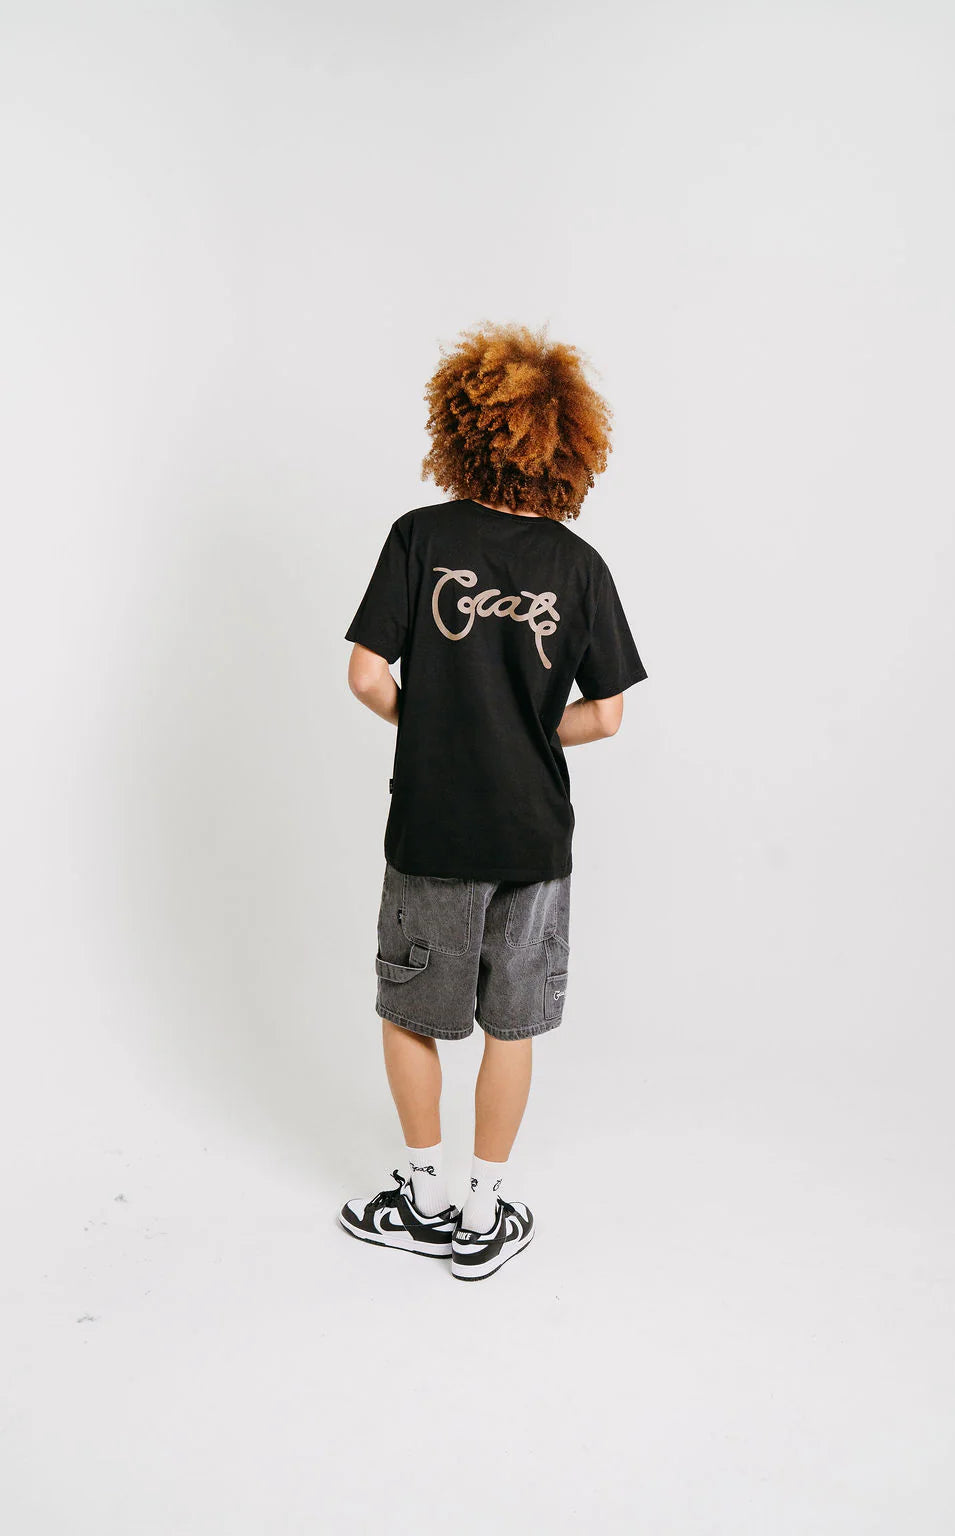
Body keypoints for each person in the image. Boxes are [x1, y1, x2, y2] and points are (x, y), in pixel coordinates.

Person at [337, 321, 648, 1280]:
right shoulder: (579, 567)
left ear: (463, 428)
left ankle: (422, 1197)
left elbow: (365, 675)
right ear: (568, 445)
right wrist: (527, 733)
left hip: (432, 825)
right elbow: (607, 717)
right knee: (511, 1026)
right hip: (532, 836)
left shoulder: (419, 537)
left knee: (411, 1011)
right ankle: (482, 1214)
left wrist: (432, 726)